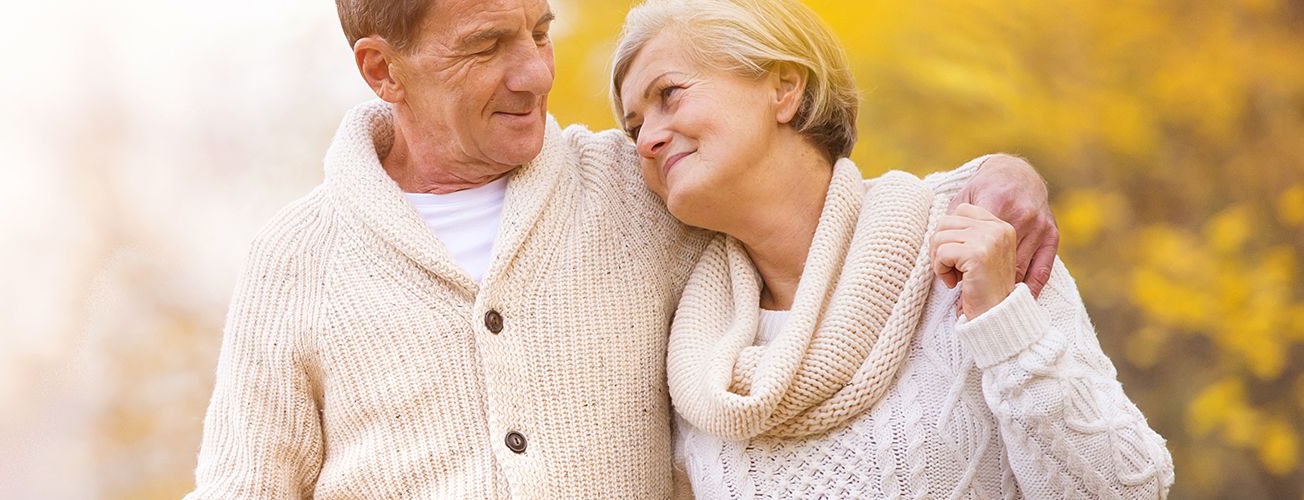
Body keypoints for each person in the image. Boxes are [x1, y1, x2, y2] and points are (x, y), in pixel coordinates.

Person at [189, 0, 1059, 496]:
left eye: (538, 30)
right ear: (383, 70)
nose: (534, 73)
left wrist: (1003, 172)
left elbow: (827, 202)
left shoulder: (639, 184)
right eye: (488, 48)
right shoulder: (294, 263)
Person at [607, 0, 1174, 497]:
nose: (650, 139)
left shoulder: (972, 236)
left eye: (669, 95)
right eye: (634, 130)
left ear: (784, 87)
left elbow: (1126, 488)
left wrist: (1003, 323)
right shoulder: (694, 358)